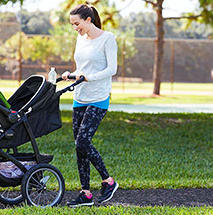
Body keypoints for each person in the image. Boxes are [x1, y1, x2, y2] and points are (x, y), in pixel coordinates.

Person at [62, 4, 118, 207]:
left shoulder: (107, 38)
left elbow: (111, 69)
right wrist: (72, 74)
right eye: (72, 24)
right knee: (79, 148)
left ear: (88, 20)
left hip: (99, 97)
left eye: (77, 23)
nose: (75, 28)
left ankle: (108, 181)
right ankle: (85, 193)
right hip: (80, 96)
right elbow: (82, 68)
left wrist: (89, 78)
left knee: (82, 142)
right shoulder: (80, 38)